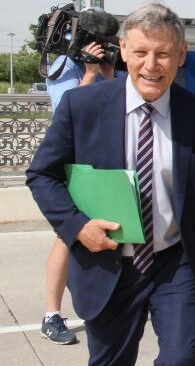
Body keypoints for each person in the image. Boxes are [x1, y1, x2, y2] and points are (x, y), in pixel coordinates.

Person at [26, 2, 195, 365]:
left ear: (181, 54)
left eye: (163, 54)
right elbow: (41, 175)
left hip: (175, 264)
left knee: (181, 359)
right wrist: (78, 227)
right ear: (124, 50)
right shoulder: (82, 106)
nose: (151, 65)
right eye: (141, 52)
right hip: (107, 265)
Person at [40, 39, 120, 346]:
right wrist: (88, 72)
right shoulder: (64, 66)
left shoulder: (108, 64)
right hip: (70, 164)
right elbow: (67, 113)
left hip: (101, 165)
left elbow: (117, 105)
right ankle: (51, 315)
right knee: (67, 235)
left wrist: (108, 72)